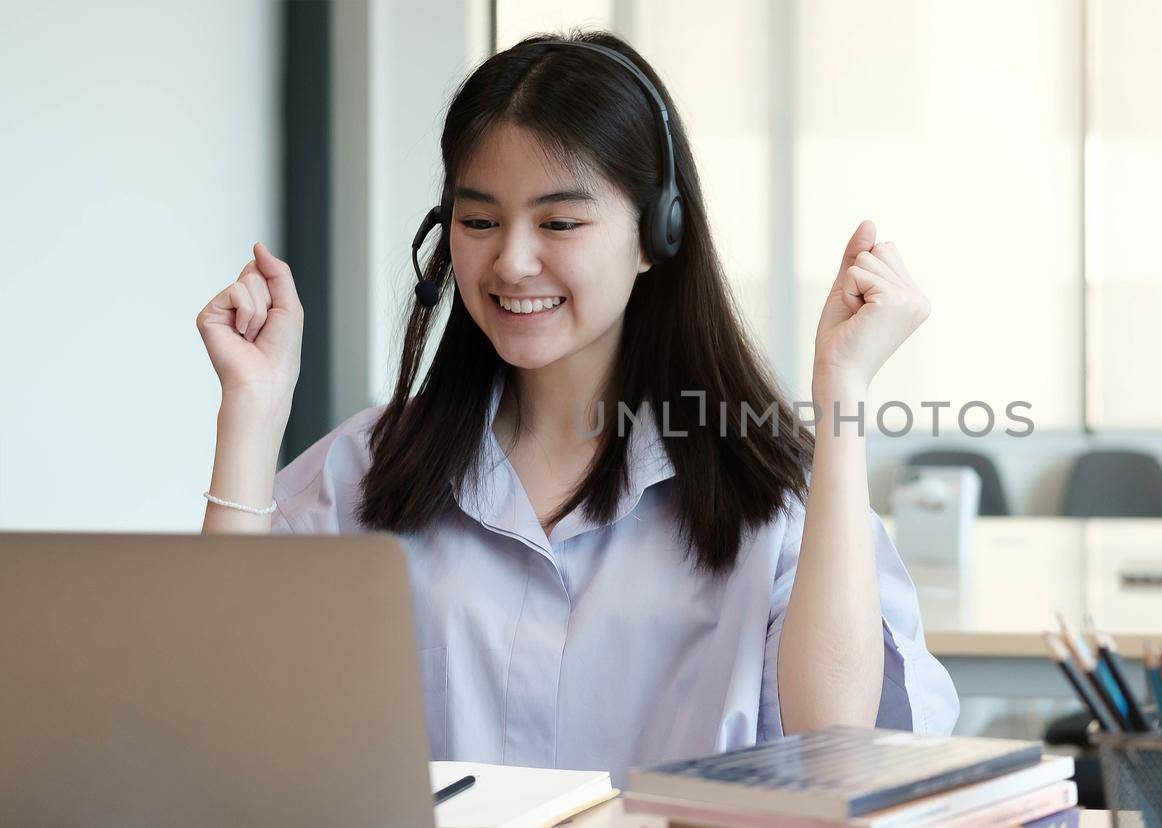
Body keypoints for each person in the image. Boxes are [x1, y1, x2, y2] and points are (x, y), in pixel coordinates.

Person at [194, 30, 957, 780]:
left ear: (659, 234)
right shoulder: (368, 469)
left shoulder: (773, 492)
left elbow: (834, 751)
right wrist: (252, 413)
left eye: (559, 222)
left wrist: (843, 392)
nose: (512, 261)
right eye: (479, 221)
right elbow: (217, 717)